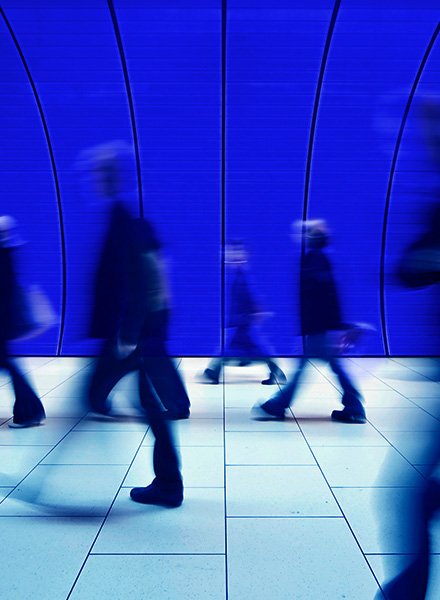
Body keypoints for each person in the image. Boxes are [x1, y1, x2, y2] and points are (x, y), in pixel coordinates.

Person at [85, 146, 185, 506]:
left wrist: (128, 334)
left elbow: (141, 282)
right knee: (144, 403)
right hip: (136, 331)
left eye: (98, 173)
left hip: (132, 333)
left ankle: (169, 485)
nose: (93, 180)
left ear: (111, 176)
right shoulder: (125, 217)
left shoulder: (124, 219)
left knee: (118, 399)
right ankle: (168, 483)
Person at [253, 220, 366, 423]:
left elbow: (319, 298)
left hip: (319, 328)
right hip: (322, 327)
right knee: (326, 365)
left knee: (306, 366)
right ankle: (354, 406)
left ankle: (279, 405)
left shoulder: (314, 260)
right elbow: (330, 296)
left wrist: (326, 329)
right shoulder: (320, 259)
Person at [203, 241, 286, 385]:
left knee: (236, 348)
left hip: (242, 321)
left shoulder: (243, 276)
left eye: (234, 255)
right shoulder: (240, 274)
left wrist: (258, 311)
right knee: (252, 348)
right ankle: (214, 372)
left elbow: (252, 296)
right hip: (241, 320)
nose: (230, 258)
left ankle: (214, 372)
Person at [0, 215, 46, 428]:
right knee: (9, 364)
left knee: (9, 365)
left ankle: (30, 412)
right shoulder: (9, 252)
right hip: (5, 322)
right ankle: (31, 411)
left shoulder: (3, 256)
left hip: (2, 322)